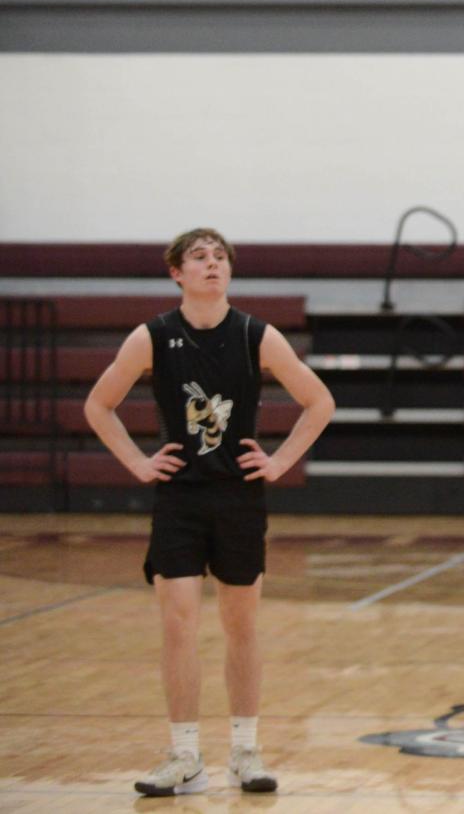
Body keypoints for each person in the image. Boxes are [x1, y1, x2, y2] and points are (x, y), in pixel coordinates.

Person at [82, 228, 336, 797]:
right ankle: (184, 756)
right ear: (177, 273)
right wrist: (137, 463)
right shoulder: (152, 336)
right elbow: (98, 404)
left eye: (220, 257)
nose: (212, 265)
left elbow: (319, 401)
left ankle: (245, 751)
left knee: (240, 626)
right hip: (179, 499)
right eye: (199, 257)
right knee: (177, 624)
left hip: (239, 497)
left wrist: (280, 460)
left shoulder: (255, 334)